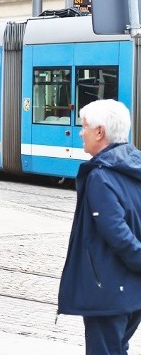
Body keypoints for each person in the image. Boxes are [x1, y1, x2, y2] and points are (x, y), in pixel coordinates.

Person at [57, 99, 141, 354]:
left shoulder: (100, 177)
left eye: (84, 127)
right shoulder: (133, 166)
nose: (80, 132)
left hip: (108, 291)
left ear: (100, 132)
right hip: (133, 292)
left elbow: (117, 233)